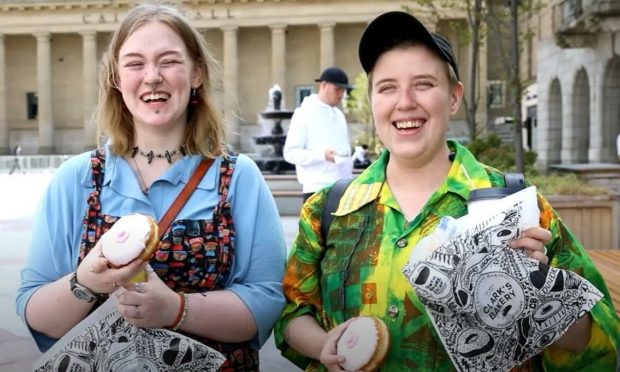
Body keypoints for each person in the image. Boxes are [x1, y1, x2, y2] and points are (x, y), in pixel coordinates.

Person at [275, 11, 619, 371]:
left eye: (423, 84)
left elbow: (597, 341)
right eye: (387, 87)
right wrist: (324, 344)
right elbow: (294, 313)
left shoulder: (519, 206)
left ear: (454, 97)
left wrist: (538, 290)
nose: (404, 101)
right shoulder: (327, 210)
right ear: (373, 100)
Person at [15, 3, 286, 371]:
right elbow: (34, 310)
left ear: (197, 74)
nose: (152, 76)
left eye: (169, 61)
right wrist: (85, 281)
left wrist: (176, 309)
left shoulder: (239, 178)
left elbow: (266, 301)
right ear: (116, 78)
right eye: (135, 63)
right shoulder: (75, 179)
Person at [283, 66, 354, 202]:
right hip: (316, 190)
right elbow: (290, 153)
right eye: (337, 89)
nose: (340, 94)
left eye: (343, 90)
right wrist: (322, 156)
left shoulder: (339, 115)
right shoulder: (304, 112)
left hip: (344, 188)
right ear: (324, 85)